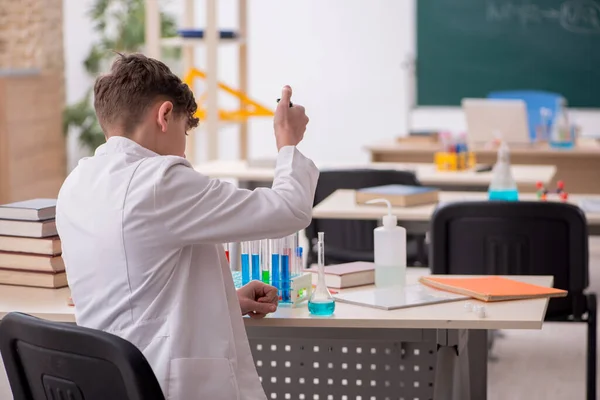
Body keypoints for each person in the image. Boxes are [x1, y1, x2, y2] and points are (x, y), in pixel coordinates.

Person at [55, 53, 319, 399]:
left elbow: (131, 291)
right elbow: (290, 209)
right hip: (167, 384)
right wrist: (288, 142)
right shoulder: (159, 180)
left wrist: (224, 300)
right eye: (184, 131)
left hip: (112, 384)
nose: (183, 151)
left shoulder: (75, 185)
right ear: (165, 115)